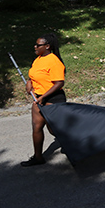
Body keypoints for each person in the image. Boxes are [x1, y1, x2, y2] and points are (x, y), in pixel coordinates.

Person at [22, 33, 66, 166]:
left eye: (38, 45)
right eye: (35, 44)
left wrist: (43, 97)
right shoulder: (38, 59)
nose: (35, 47)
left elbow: (59, 83)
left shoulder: (54, 61)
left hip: (53, 99)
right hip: (38, 98)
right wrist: (29, 82)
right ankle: (38, 157)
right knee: (37, 127)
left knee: (54, 129)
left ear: (47, 46)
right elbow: (34, 75)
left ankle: (73, 146)